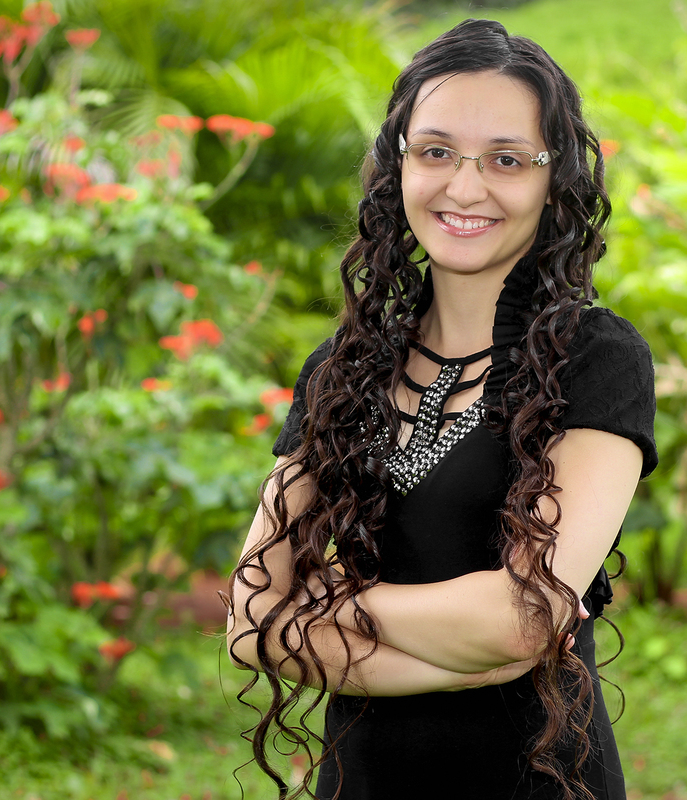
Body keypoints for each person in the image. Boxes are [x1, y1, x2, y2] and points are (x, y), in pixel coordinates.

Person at [225, 18, 658, 800]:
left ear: (554, 179)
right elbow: (252, 619)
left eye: (506, 159)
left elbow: (524, 620)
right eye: (435, 152)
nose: (464, 187)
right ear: (397, 165)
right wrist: (466, 662)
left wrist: (337, 605)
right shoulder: (342, 369)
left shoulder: (596, 360)